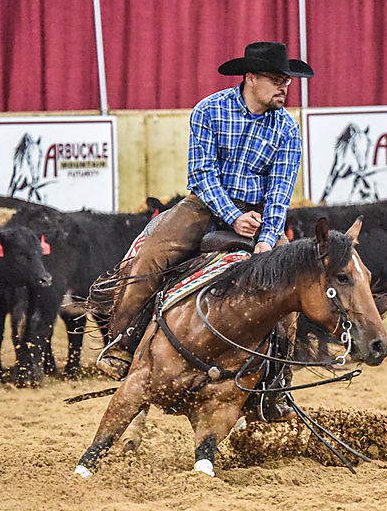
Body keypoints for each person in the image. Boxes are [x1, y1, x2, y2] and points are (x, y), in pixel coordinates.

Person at [97, 41, 313, 418]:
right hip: (204, 205)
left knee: (289, 282)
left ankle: (277, 384)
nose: (285, 87)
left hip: (258, 214)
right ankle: (122, 343)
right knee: (152, 254)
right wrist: (232, 216)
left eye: (287, 81)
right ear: (251, 78)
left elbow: (280, 192)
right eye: (277, 80)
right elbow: (202, 175)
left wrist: (266, 239)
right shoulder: (210, 110)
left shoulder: (287, 129)